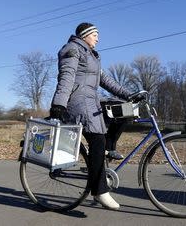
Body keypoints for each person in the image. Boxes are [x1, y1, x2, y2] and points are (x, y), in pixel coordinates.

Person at [49, 22, 145, 210]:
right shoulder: (73, 49)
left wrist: (129, 95)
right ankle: (99, 191)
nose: (98, 38)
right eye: (95, 34)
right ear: (85, 35)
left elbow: (106, 80)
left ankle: (107, 152)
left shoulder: (92, 56)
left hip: (91, 101)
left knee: (120, 114)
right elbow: (66, 76)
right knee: (97, 141)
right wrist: (59, 104)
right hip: (77, 102)